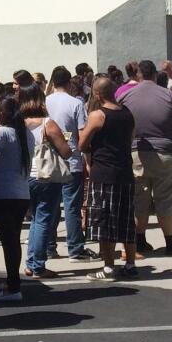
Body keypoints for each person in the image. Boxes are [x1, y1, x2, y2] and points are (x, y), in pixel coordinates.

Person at [118, 60, 172, 255]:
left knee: (139, 200)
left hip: (135, 154)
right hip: (167, 154)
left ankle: (140, 240)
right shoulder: (170, 96)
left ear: (138, 75)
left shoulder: (125, 96)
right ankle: (170, 242)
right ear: (155, 75)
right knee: (167, 199)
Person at [80, 77, 137, 281]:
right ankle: (130, 263)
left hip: (104, 172)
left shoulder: (98, 115)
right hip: (125, 171)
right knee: (126, 218)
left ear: (96, 94)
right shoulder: (127, 113)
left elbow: (82, 143)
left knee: (105, 220)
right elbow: (131, 138)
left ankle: (109, 267)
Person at [19, 83, 74, 279]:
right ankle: (38, 265)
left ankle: (31, 262)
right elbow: (66, 151)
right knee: (43, 220)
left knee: (35, 220)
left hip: (26, 175)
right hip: (46, 174)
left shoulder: (18, 123)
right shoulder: (47, 123)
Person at [0, 96, 32, 301]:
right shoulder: (24, 133)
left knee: (9, 242)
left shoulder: (3, 133)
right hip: (21, 194)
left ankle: (14, 286)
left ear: (2, 114)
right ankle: (13, 282)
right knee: (13, 241)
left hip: (4, 195)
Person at [46, 66, 97, 263]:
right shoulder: (75, 103)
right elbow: (83, 133)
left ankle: (49, 246)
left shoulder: (44, 102)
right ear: (69, 83)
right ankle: (75, 248)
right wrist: (88, 157)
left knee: (50, 206)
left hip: (49, 160)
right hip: (72, 160)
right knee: (72, 207)